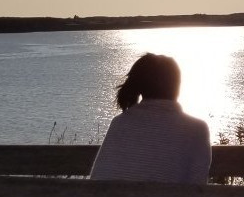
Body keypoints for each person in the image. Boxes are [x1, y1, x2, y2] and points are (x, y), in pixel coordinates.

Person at [89, 53, 211, 184]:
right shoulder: (196, 130)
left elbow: (97, 178)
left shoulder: (120, 122)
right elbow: (197, 187)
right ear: (176, 85)